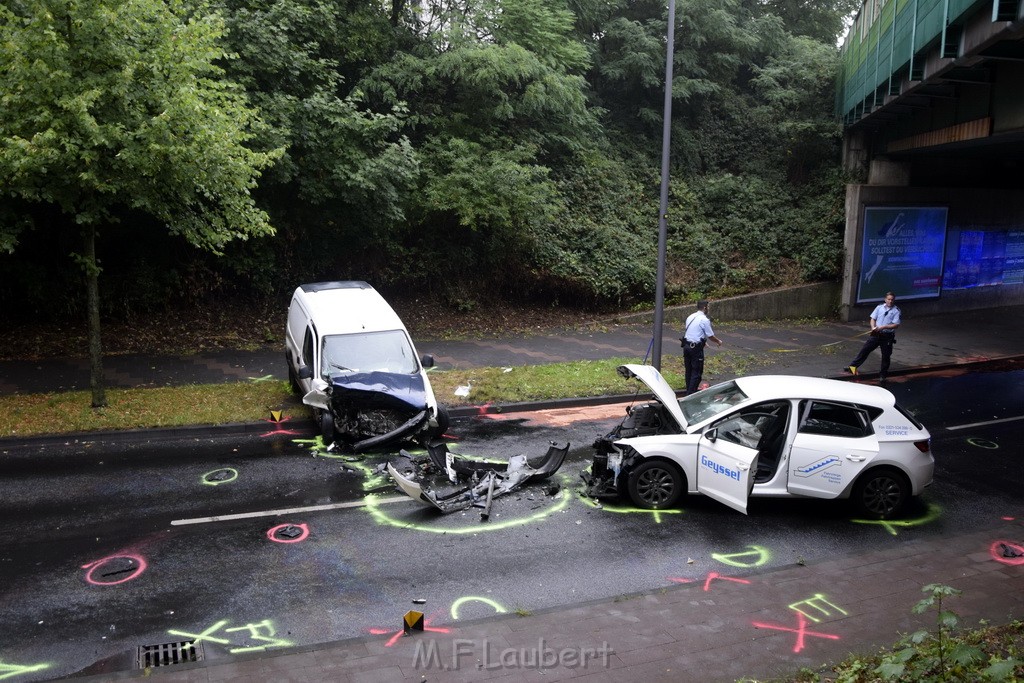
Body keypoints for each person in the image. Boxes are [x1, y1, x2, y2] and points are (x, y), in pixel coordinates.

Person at [844, 292, 901, 381]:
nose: (890, 301)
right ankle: (852, 367)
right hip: (876, 334)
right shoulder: (879, 307)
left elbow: (896, 325)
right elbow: (873, 318)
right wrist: (873, 327)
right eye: (889, 299)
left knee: (886, 356)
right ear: (885, 299)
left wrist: (883, 327)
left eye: (892, 299)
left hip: (887, 336)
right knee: (865, 350)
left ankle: (883, 375)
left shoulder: (896, 311)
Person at [680, 300, 722, 394]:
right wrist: (718, 341)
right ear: (704, 308)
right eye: (708, 307)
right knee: (697, 373)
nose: (709, 309)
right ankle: (690, 395)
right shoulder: (704, 320)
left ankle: (689, 391)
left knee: (689, 371)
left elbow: (693, 332)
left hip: (686, 346)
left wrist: (703, 343)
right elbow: (710, 336)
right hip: (695, 349)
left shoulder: (690, 316)